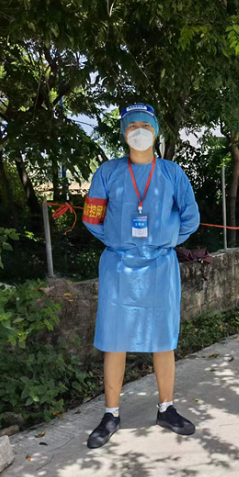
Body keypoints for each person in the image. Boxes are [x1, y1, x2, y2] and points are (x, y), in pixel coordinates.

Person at [82, 103, 200, 449]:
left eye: (145, 125)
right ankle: (111, 414)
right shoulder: (107, 173)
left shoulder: (172, 173)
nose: (139, 131)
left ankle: (166, 409)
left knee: (163, 339)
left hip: (160, 266)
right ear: (124, 133)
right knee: (114, 340)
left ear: (155, 131)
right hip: (119, 266)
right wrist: (117, 241)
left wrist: (165, 241)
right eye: (132, 126)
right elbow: (92, 217)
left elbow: (191, 216)